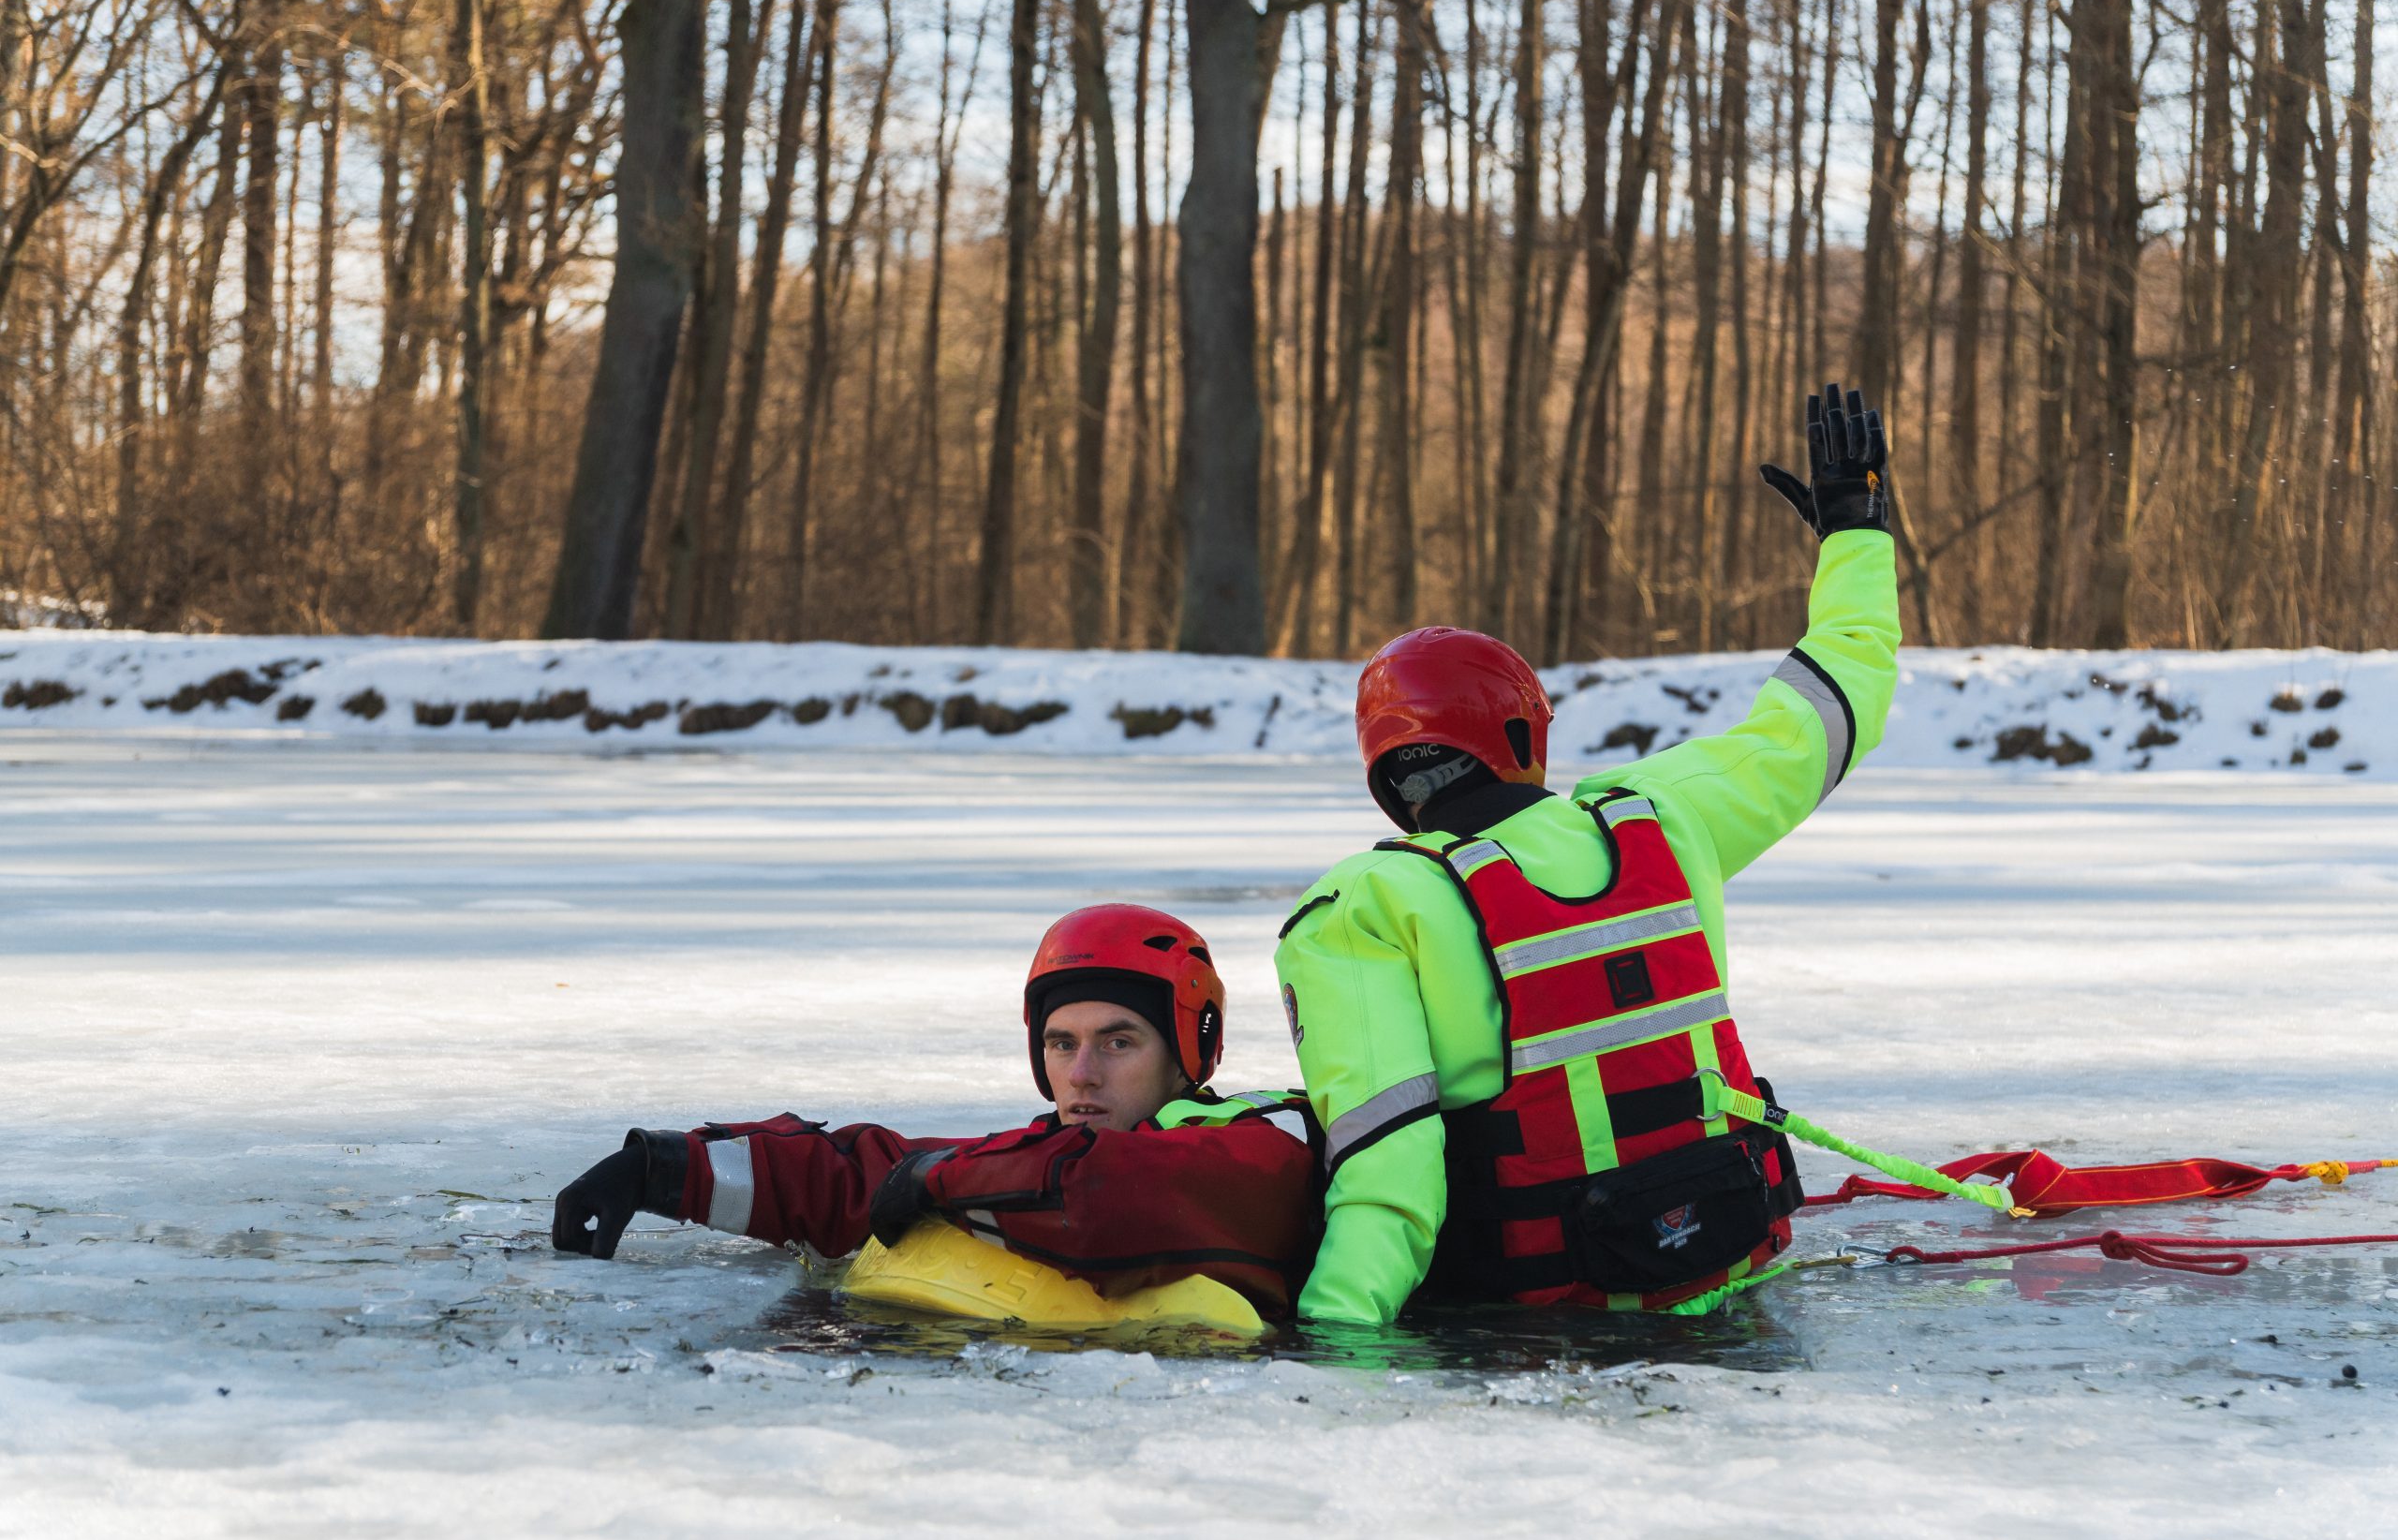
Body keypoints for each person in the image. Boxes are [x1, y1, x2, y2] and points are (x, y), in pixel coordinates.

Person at [1275, 383, 1902, 1325]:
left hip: (1538, 1332)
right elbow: (1832, 708)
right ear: (1524, 733)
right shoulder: (1657, 817)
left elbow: (1387, 1179)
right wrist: (1853, 536)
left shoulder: (1365, 907)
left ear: (1382, 773)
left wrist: (1330, 1351)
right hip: (1731, 1277)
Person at [553, 904, 1323, 1316]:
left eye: (1118, 1042)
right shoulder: (1034, 1150)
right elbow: (864, 1175)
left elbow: (1108, 1193)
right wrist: (658, 1167)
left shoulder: (1269, 1139)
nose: (1080, 1073)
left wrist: (939, 1180)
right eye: (1060, 1043)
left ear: (1191, 1048)